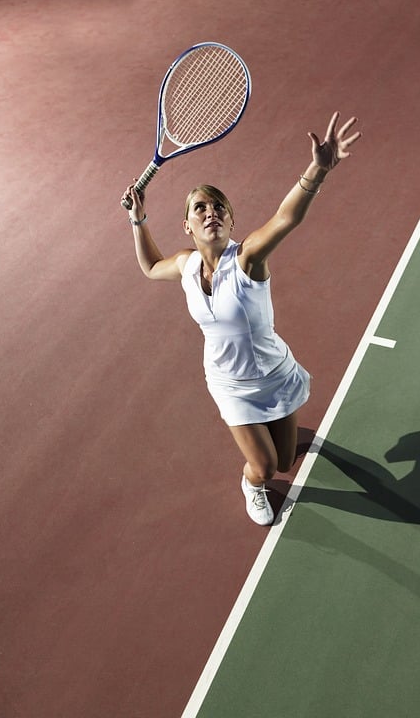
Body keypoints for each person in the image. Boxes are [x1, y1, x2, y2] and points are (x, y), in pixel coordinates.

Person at [120, 112, 361, 525]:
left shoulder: (248, 258)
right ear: (187, 226)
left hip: (274, 373)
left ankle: (275, 443)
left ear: (231, 221)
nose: (211, 212)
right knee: (267, 470)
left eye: (219, 207)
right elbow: (149, 266)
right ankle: (251, 483)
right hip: (230, 384)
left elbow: (287, 218)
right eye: (200, 208)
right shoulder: (185, 265)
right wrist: (137, 218)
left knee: (287, 462)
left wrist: (317, 171)